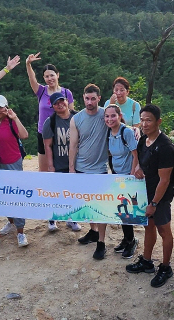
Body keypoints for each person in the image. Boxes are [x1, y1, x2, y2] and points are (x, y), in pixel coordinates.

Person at [126, 104, 174, 289]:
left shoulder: (165, 147)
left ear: (158, 122)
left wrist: (154, 203)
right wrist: (138, 169)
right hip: (146, 192)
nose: (145, 124)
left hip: (160, 197)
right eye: (142, 120)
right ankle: (147, 261)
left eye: (149, 120)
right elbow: (139, 159)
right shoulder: (144, 140)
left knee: (164, 231)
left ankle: (165, 268)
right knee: (149, 226)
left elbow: (164, 180)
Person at [69, 83, 109, 260]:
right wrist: (71, 168)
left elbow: (119, 126)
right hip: (81, 167)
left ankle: (101, 242)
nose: (90, 101)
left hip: (100, 169)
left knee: (100, 207)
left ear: (99, 98)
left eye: (93, 98)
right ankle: (92, 232)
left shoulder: (105, 115)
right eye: (87, 98)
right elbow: (73, 144)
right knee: (87, 204)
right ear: (83, 98)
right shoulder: (76, 119)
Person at [0, 95, 30, 248]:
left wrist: (15, 118)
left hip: (13, 163)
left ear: (6, 107)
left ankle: (21, 231)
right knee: (3, 195)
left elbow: (24, 135)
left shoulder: (11, 121)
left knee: (16, 196)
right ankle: (10, 222)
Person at [25, 54, 74, 173]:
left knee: (63, 167)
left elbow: (72, 115)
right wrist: (28, 64)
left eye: (52, 75)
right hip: (43, 132)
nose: (50, 78)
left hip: (62, 133)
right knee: (44, 170)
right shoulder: (41, 91)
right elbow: (32, 79)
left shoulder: (66, 93)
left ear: (57, 75)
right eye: (46, 76)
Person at [41, 92, 81, 232]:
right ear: (52, 106)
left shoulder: (78, 117)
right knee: (57, 193)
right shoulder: (50, 122)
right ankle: (52, 219)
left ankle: (72, 219)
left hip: (77, 162)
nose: (60, 104)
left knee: (74, 192)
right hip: (59, 163)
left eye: (61, 101)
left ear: (66, 101)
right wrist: (50, 165)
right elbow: (48, 146)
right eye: (56, 103)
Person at [104, 104, 139, 259]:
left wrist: (131, 176)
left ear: (119, 115)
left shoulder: (127, 132)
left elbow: (135, 154)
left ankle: (131, 241)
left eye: (113, 115)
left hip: (127, 176)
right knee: (121, 209)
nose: (110, 119)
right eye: (107, 116)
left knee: (126, 211)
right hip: (117, 175)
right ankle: (127, 239)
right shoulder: (109, 133)